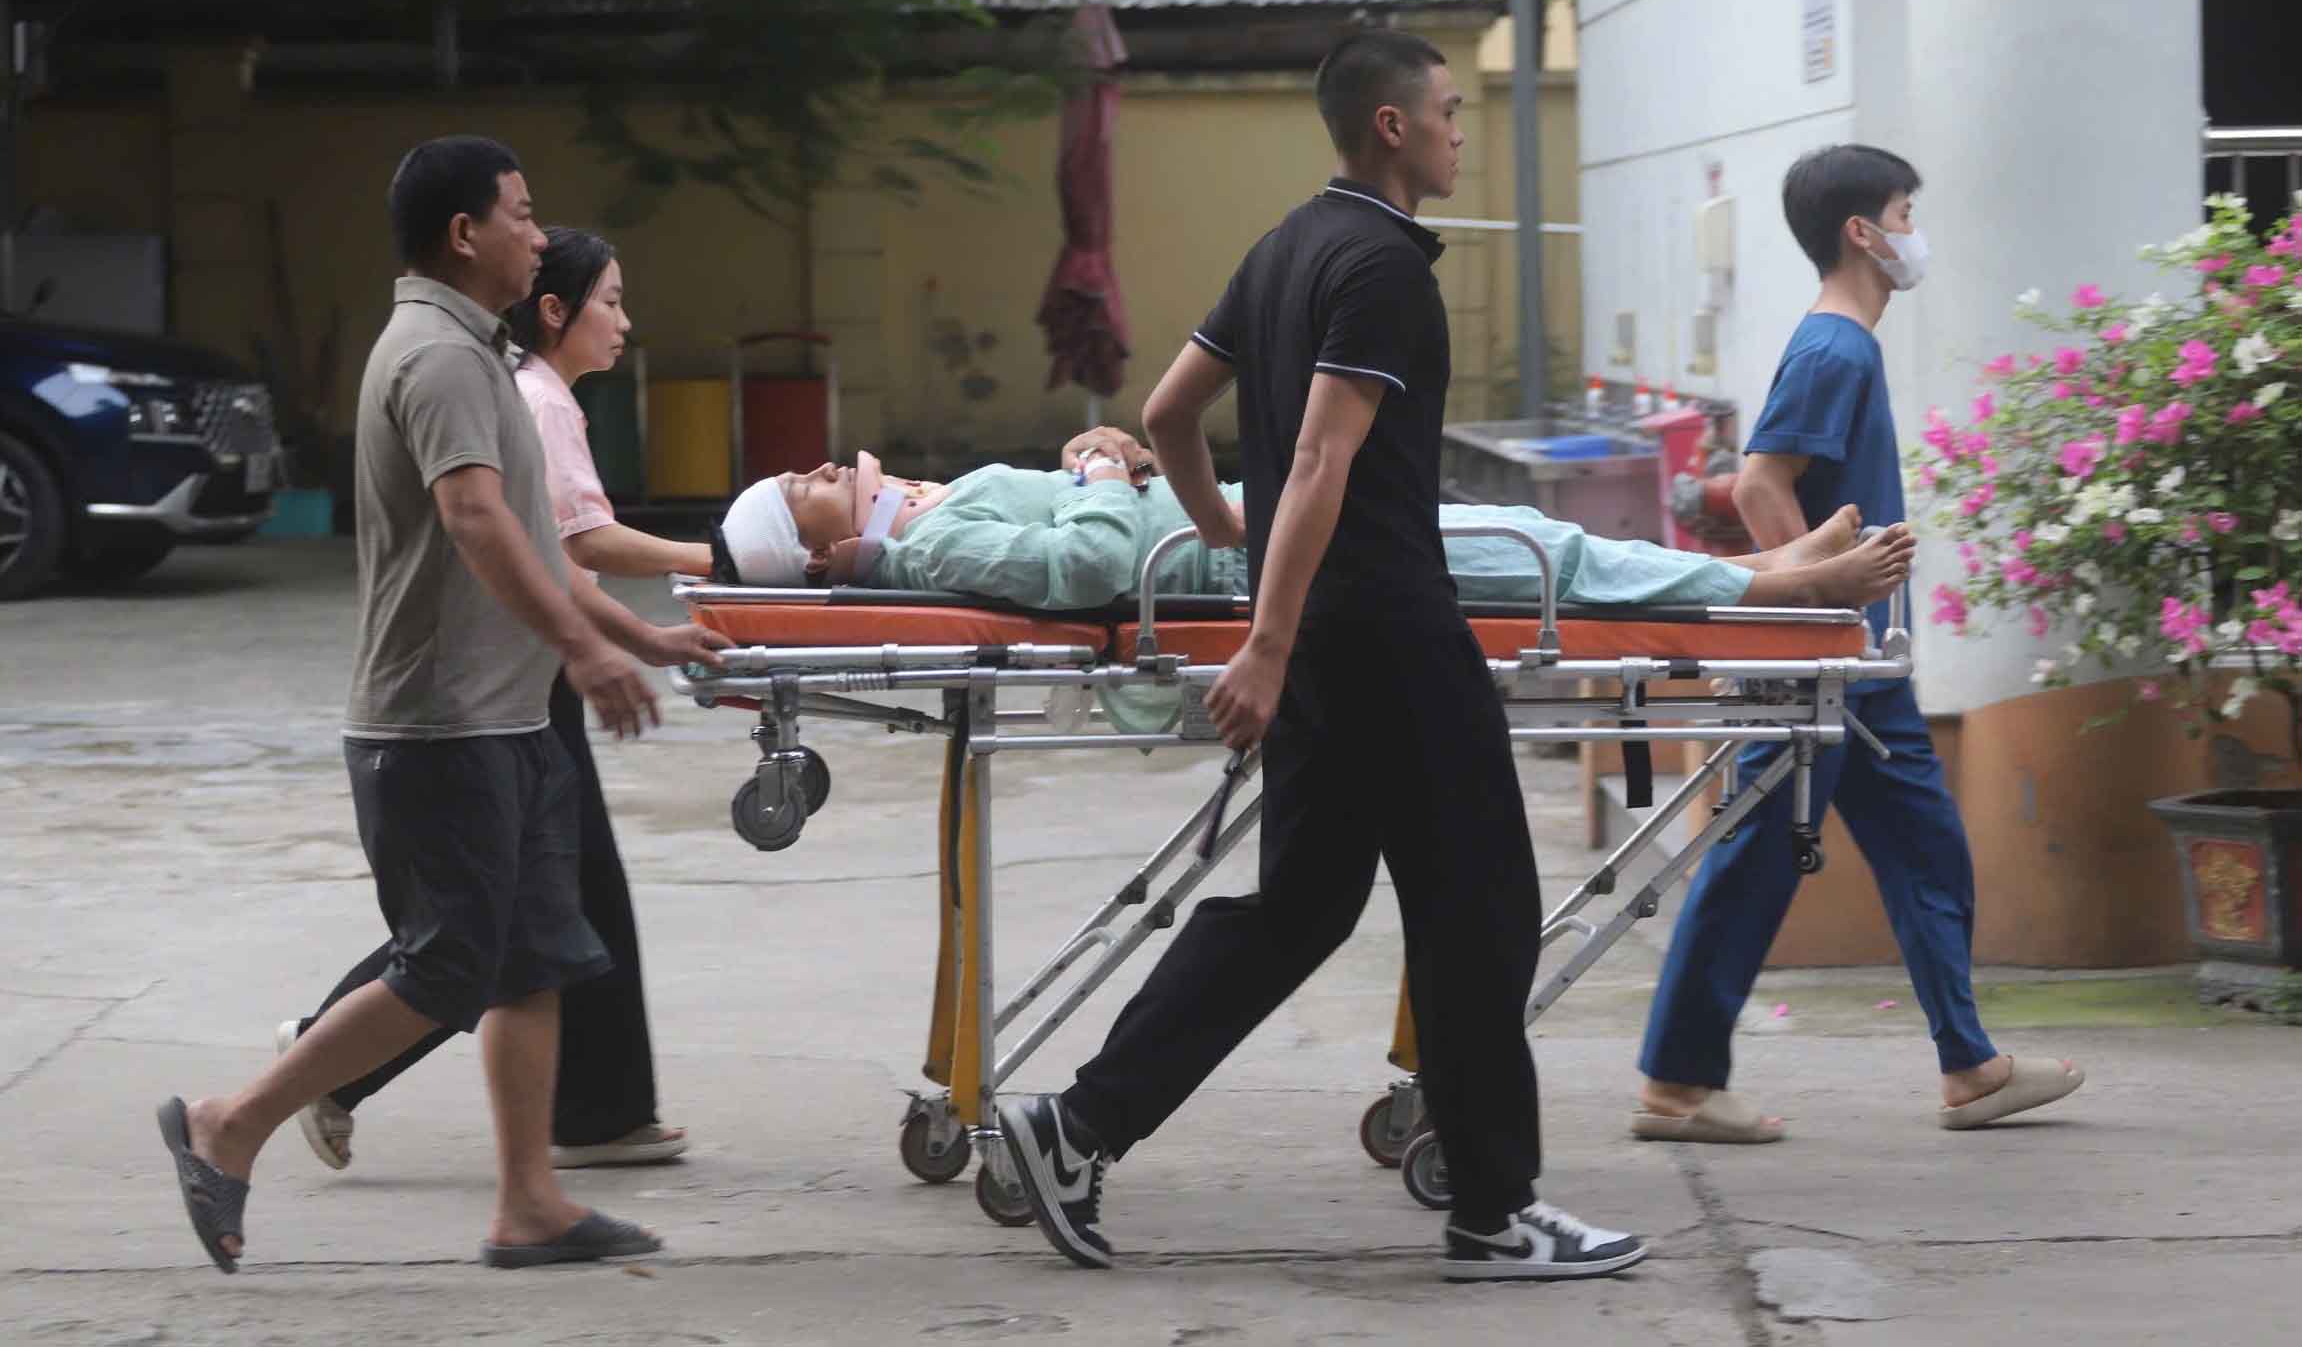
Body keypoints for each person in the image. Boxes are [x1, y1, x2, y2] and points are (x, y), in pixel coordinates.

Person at [984, 29, 1648, 1281]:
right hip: (1390, 634)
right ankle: (1495, 1210)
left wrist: (1220, 533)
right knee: (1483, 907)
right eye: (1449, 110)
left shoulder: (1285, 246)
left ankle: (1075, 1125)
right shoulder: (1382, 265)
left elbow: (1170, 411)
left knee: (1297, 908)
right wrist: (1264, 639)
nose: (1462, 127)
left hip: (1331, 645)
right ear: (1391, 127)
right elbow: (1323, 460)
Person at [155, 137, 673, 1273]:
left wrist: (636, 634)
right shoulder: (435, 356)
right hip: (436, 726)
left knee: (532, 960)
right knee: (449, 966)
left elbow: (546, 537)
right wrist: (582, 651)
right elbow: (478, 522)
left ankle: (528, 1201)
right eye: (524, 215)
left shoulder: (483, 353)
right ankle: (227, 1123)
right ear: (464, 233)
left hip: (505, 717)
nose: (540, 237)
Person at [1631, 144, 2085, 1144]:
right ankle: (1675, 1081)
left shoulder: (1848, 346)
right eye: (1904, 209)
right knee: (1755, 853)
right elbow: (1758, 483)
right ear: (1861, 233)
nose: (1916, 230)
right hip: (1827, 654)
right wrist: (1809, 597)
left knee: (1928, 850)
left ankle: (1969, 1066)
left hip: (1859, 661)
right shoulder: (1834, 348)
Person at [276, 227, 722, 1177]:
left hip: (523, 680)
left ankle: (590, 1118)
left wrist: (640, 639)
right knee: (495, 931)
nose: (625, 321)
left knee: (534, 917)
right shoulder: (517, 393)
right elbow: (577, 547)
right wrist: (704, 563)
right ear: (553, 310)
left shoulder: (525, 389)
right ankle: (328, 1065)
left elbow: (565, 563)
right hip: (494, 695)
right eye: (611, 299)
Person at [717, 437, 1915, 613]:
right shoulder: (929, 545)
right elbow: (1085, 563)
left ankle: (1755, 562)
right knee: (1522, 560)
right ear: (820, 549)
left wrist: (1110, 466)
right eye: (798, 488)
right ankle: (1765, 590)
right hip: (1240, 556)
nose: (815, 466)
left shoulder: (927, 518)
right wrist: (1097, 463)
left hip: (1230, 522)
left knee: (1503, 532)